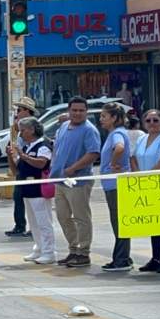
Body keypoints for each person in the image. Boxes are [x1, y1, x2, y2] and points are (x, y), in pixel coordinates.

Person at [49, 96, 101, 268]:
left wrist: (73, 168)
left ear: (86, 112)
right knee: (63, 216)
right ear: (69, 111)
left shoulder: (89, 130)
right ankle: (73, 249)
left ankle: (84, 252)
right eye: (74, 110)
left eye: (81, 110)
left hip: (78, 181)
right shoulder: (64, 126)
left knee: (81, 217)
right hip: (60, 180)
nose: (78, 113)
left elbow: (93, 153)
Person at [131, 109, 160, 274]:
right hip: (146, 184)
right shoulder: (142, 139)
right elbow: (133, 157)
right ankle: (156, 257)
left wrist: (149, 174)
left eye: (155, 120)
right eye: (149, 121)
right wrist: (138, 174)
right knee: (153, 223)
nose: (152, 123)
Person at [8, 117, 55, 264]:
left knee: (44, 222)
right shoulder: (28, 147)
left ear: (32, 130)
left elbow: (42, 163)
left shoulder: (43, 145)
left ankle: (49, 251)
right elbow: (16, 170)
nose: (21, 134)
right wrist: (11, 156)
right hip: (27, 190)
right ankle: (39, 248)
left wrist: (23, 156)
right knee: (34, 222)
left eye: (23, 130)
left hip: (39, 190)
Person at [99, 103, 133, 272]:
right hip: (112, 184)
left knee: (118, 222)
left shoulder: (117, 133)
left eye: (104, 116)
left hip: (116, 184)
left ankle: (121, 259)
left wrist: (113, 163)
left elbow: (119, 148)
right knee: (118, 221)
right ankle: (122, 256)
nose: (101, 120)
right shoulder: (114, 133)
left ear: (114, 118)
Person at [6, 97, 38, 238]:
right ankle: (20, 225)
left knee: (33, 200)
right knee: (18, 196)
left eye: (19, 110)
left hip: (31, 166)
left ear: (27, 111)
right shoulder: (18, 127)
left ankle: (34, 227)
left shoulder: (34, 126)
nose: (17, 113)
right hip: (21, 164)